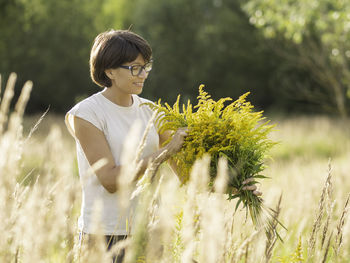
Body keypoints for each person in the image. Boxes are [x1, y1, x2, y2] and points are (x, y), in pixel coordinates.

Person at [65, 29, 187, 262]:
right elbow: (110, 181)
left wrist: (236, 184)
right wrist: (164, 152)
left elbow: (185, 173)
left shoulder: (152, 110)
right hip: (104, 236)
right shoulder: (86, 114)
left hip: (147, 231)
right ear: (109, 71)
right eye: (134, 68)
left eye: (146, 66)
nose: (143, 74)